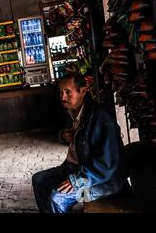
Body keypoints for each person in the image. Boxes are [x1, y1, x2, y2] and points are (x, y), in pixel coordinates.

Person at [31, 72, 127, 213]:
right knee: (39, 180)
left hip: (104, 180)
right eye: (61, 93)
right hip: (76, 168)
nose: (63, 97)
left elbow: (106, 165)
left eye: (68, 92)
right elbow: (78, 143)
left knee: (57, 198)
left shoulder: (100, 118)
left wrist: (77, 181)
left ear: (83, 91)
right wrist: (63, 136)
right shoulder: (72, 112)